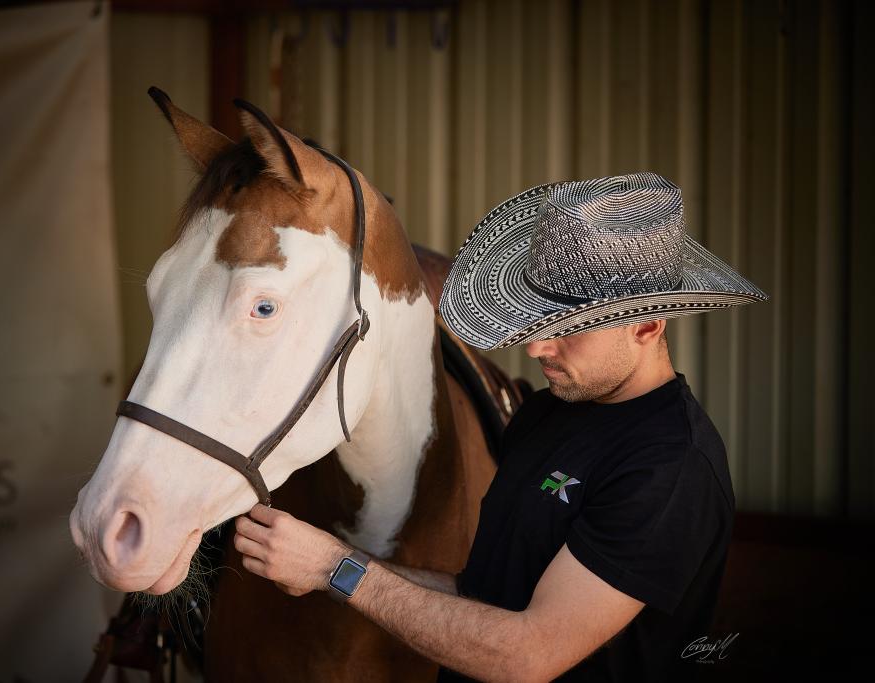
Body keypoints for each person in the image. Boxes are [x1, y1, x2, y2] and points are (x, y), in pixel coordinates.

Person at [234, 172, 768, 681]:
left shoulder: (669, 464)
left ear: (647, 325)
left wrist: (337, 569)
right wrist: (330, 562)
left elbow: (527, 656)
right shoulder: (545, 413)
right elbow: (484, 593)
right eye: (538, 317)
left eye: (569, 328)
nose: (536, 346)